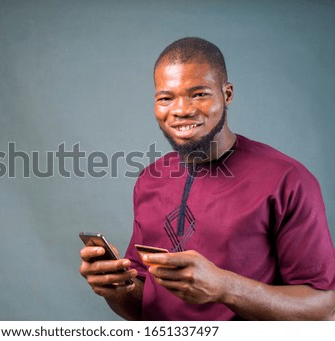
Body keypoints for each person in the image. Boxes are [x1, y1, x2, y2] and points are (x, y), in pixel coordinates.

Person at [79, 37, 335, 320]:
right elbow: (144, 309)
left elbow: (323, 308)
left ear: (227, 94)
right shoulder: (150, 179)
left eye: (198, 94)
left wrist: (225, 288)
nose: (181, 110)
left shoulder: (287, 179)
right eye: (166, 98)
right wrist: (117, 288)